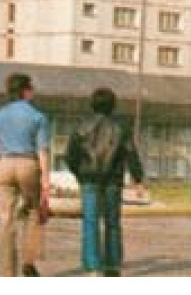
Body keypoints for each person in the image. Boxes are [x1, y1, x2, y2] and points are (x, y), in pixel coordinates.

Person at [64, 87, 145, 277]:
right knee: (112, 222)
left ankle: (93, 267)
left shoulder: (81, 126)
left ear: (92, 105)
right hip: (113, 180)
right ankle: (112, 265)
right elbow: (131, 154)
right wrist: (138, 179)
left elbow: (70, 156)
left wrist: (79, 174)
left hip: (89, 179)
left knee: (90, 222)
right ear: (113, 105)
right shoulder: (121, 128)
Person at [0, 72, 51, 277]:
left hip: (4, 163)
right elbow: (43, 150)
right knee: (33, 212)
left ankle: (8, 273)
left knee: (6, 219)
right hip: (29, 164)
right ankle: (29, 263)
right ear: (26, 92)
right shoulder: (38, 116)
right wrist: (45, 180)